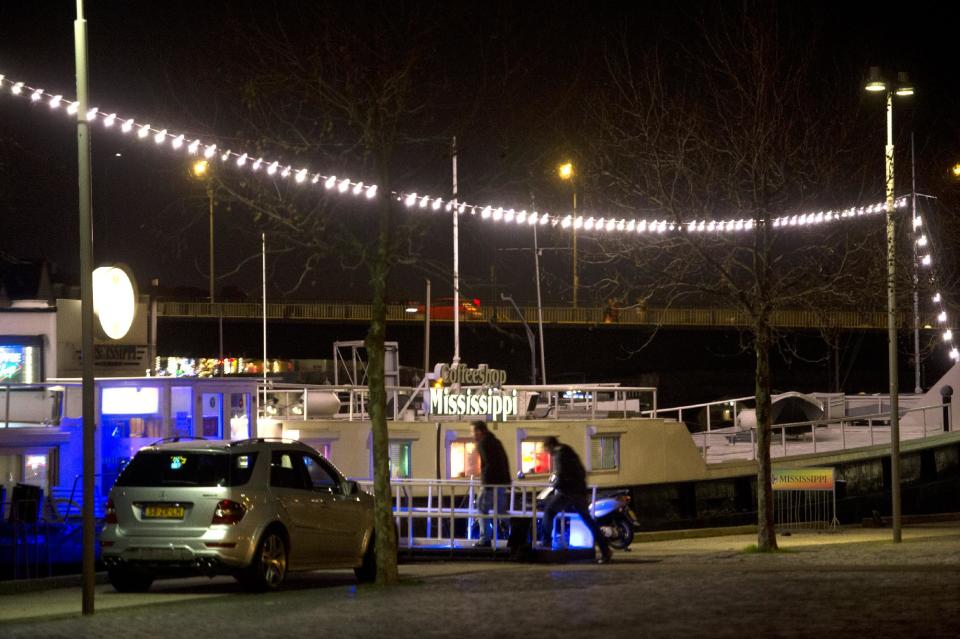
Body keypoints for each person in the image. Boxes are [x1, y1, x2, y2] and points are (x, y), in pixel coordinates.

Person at [540, 436, 612, 564]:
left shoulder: (559, 454)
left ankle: (546, 544)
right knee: (588, 520)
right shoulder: (569, 451)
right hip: (579, 491)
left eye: (546, 449)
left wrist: (555, 486)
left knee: (549, 511)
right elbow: (581, 471)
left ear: (550, 446)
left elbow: (561, 474)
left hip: (567, 492)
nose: (547, 452)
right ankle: (605, 550)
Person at [472, 420, 511, 547]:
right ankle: (516, 532)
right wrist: (507, 480)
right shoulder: (496, 441)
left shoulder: (482, 443)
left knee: (481, 507)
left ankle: (485, 539)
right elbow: (504, 460)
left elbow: (488, 463)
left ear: (479, 431)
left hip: (489, 483)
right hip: (501, 482)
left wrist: (484, 481)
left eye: (473, 431)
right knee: (501, 511)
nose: (473, 435)